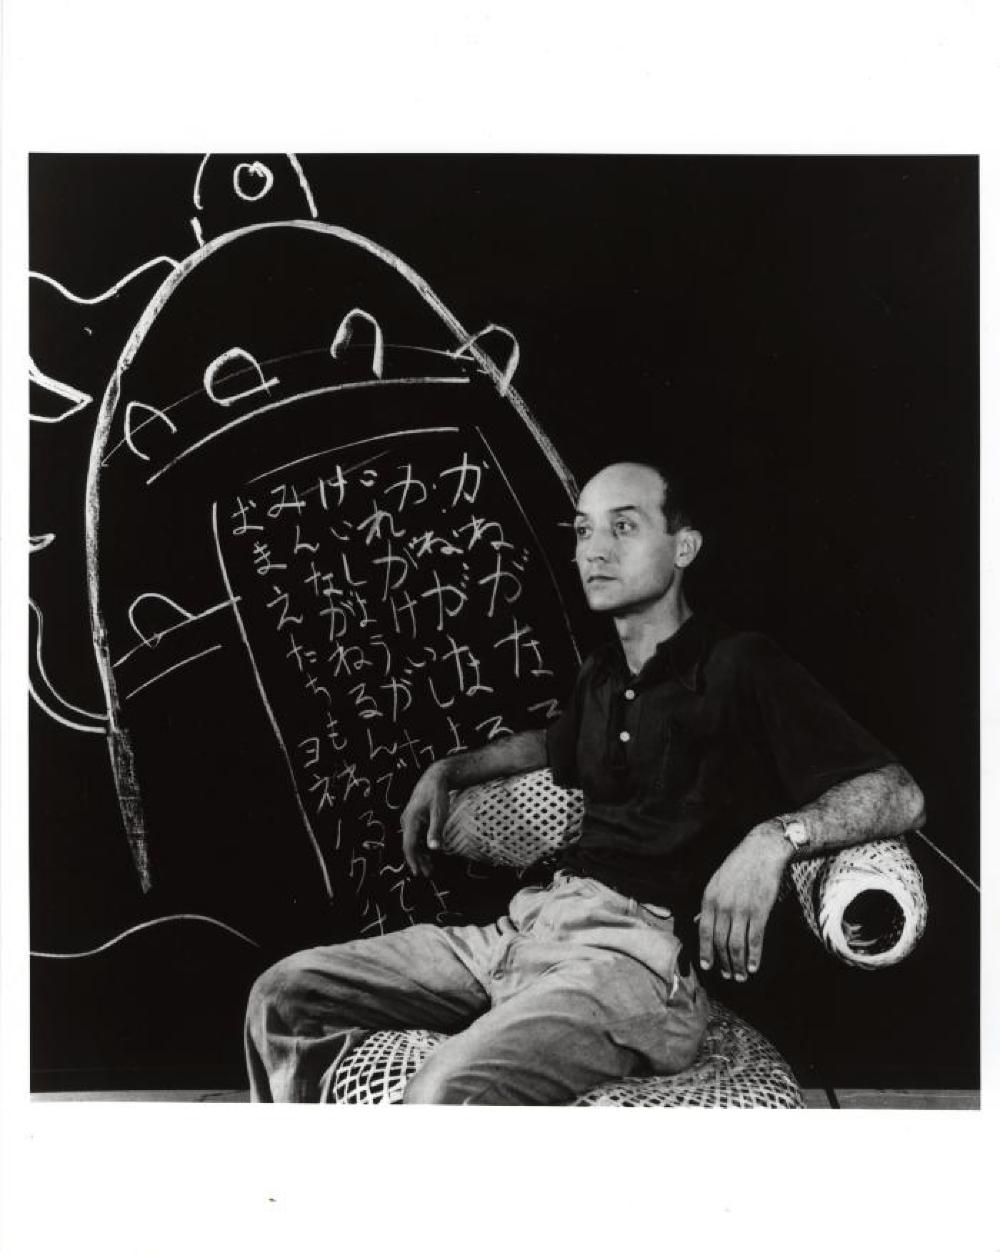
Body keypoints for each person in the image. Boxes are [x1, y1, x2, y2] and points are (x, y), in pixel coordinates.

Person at [244, 460, 925, 1103]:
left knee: (441, 1094)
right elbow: (552, 744)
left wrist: (775, 839)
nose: (594, 548)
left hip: (637, 964)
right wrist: (448, 768)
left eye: (623, 526)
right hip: (529, 928)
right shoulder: (602, 674)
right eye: (583, 529)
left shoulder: (741, 666)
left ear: (683, 547)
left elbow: (900, 791)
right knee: (283, 994)